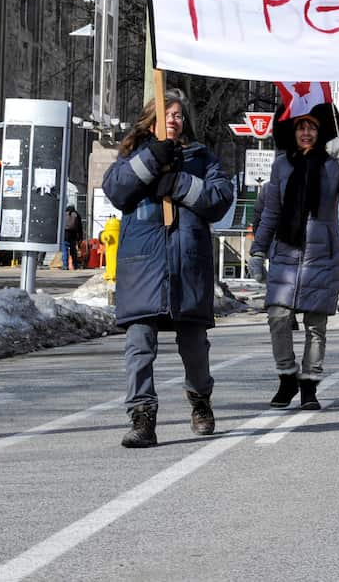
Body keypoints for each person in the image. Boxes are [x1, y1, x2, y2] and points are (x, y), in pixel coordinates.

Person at [103, 89, 234, 448]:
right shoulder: (134, 154)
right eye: (168, 112)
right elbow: (115, 190)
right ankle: (142, 417)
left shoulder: (200, 158)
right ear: (154, 116)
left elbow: (220, 199)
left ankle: (200, 399)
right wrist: (150, 161)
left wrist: (178, 183)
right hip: (143, 269)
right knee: (139, 346)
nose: (174, 119)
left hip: (188, 268)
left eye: (179, 114)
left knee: (194, 348)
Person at [250, 104, 339, 409]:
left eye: (312, 127)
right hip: (286, 252)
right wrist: (257, 250)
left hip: (322, 254)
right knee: (278, 317)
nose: (306, 132)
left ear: (322, 131)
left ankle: (309, 385)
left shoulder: (333, 164)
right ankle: (287, 376)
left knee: (316, 325)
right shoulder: (281, 165)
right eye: (301, 126)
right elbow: (272, 212)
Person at [62, 205, 84, 270]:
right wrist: (80, 237)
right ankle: (75, 265)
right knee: (73, 251)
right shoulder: (77, 215)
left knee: (64, 250)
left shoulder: (64, 214)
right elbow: (80, 227)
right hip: (73, 235)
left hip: (65, 234)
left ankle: (65, 266)